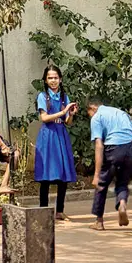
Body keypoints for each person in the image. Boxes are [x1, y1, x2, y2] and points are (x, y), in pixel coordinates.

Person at [86, 99, 132, 231]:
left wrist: (96, 175)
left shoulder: (97, 117)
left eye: (88, 113)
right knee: (123, 182)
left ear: (92, 108)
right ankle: (122, 204)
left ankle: (99, 221)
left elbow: (99, 145)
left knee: (102, 184)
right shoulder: (121, 113)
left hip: (113, 149)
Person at [34, 66, 77, 221]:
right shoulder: (42, 96)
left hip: (60, 134)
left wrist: (70, 114)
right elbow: (44, 118)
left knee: (62, 174)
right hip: (48, 136)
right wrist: (63, 111)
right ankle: (43, 211)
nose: (53, 81)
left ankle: (59, 211)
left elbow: (67, 122)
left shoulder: (64, 96)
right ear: (46, 80)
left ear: (60, 79)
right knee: (46, 175)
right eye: (50, 78)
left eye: (56, 77)